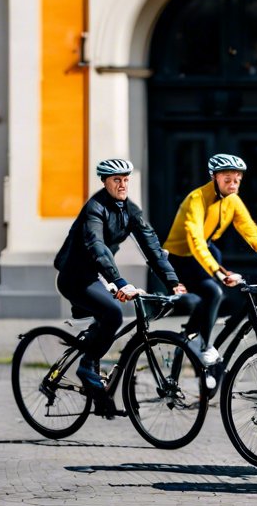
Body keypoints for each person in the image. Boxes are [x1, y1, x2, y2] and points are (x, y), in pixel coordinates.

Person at [54, 158, 187, 391]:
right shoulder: (94, 209)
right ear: (105, 182)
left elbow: (151, 246)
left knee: (106, 319)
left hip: (97, 275)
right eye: (117, 180)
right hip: (75, 278)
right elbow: (97, 247)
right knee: (113, 313)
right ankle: (86, 366)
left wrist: (173, 283)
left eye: (126, 179)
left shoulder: (129, 209)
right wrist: (119, 282)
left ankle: (100, 396)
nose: (123, 185)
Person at [163, 153, 257, 371]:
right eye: (227, 179)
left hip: (208, 251)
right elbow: (195, 241)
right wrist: (218, 272)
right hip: (182, 257)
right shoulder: (196, 199)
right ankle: (204, 345)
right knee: (214, 292)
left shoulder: (233, 200)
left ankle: (188, 336)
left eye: (237, 180)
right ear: (214, 177)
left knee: (212, 293)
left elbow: (252, 234)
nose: (233, 184)